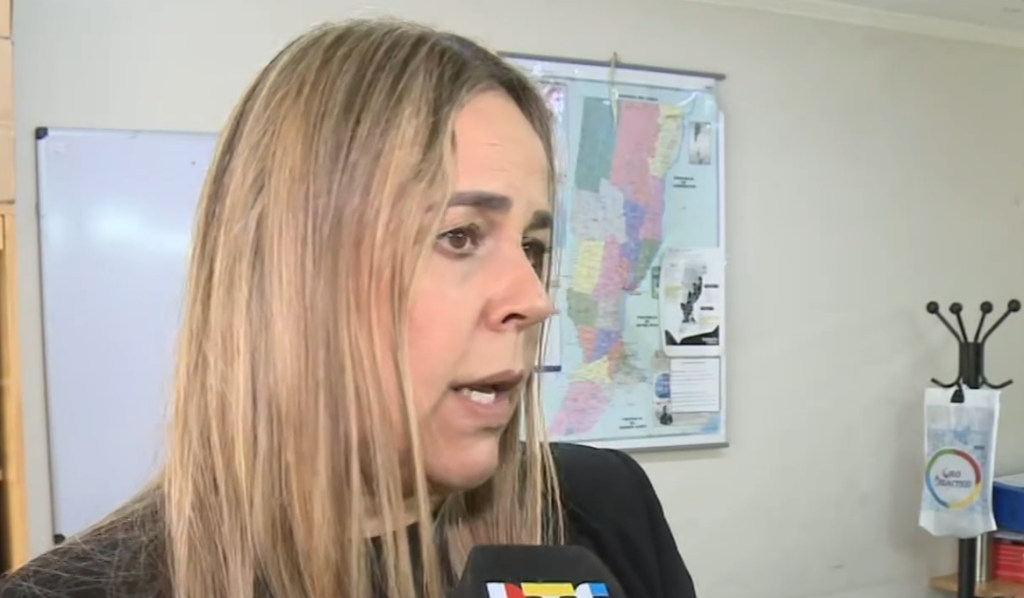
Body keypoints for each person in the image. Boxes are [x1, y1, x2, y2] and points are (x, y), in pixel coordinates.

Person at [1, 18, 697, 598]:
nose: (534, 298)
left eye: (534, 246)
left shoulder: (603, 509)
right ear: (293, 273)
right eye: (459, 236)